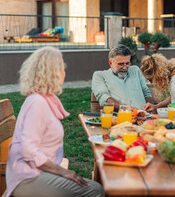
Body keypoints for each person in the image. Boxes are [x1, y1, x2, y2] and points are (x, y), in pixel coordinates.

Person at [6, 47, 104, 197]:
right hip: (28, 177)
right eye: (62, 67)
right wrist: (64, 172)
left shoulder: (43, 99)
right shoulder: (37, 103)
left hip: (33, 172)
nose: (64, 72)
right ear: (52, 73)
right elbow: (29, 151)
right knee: (95, 190)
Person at [92, 44, 154, 110]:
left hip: (144, 116)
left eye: (127, 63)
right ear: (110, 63)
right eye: (121, 64)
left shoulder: (135, 70)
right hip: (121, 117)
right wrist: (128, 110)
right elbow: (104, 98)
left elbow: (146, 93)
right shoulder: (100, 75)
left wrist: (150, 109)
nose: (125, 68)